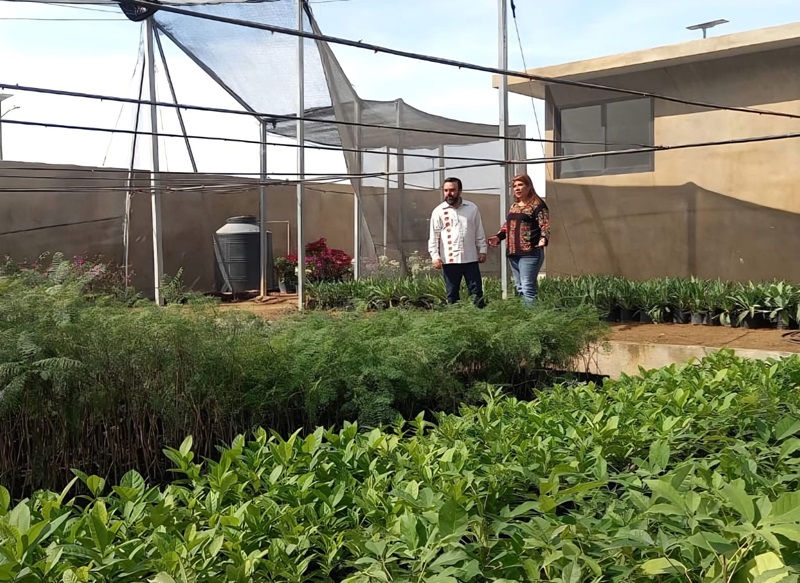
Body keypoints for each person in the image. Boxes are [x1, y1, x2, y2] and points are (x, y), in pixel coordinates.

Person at [488, 173, 550, 306]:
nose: (517, 188)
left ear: (529, 186)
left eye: (520, 185)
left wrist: (543, 238)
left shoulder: (538, 205)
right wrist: (498, 237)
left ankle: (531, 316)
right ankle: (524, 313)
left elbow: (544, 225)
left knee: (527, 287)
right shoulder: (514, 206)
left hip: (530, 252)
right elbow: (507, 225)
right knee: (519, 287)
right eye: (514, 186)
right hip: (513, 252)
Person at [428, 176, 487, 307]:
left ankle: (480, 317)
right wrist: (435, 256)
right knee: (452, 294)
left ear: (460, 191)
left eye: (452, 190)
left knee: (477, 293)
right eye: (446, 190)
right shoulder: (438, 211)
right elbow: (434, 236)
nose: (449, 193)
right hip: (450, 260)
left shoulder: (472, 208)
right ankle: (454, 317)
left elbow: (479, 230)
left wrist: (482, 250)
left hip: (470, 258)